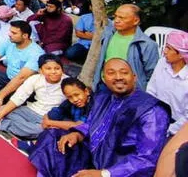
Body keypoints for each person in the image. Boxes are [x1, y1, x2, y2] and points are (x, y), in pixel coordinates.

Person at [29, 58, 171, 177]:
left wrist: (104, 173)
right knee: (53, 137)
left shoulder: (152, 110)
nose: (118, 77)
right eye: (111, 73)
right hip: (94, 155)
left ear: (134, 77)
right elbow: (91, 125)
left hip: (119, 168)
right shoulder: (103, 98)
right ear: (104, 79)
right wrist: (77, 135)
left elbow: (146, 159)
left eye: (124, 73)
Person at [0, 54, 67, 140]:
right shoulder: (35, 79)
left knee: (42, 130)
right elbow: (18, 98)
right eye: (48, 69)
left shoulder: (68, 82)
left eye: (57, 68)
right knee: (6, 111)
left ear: (62, 70)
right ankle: (21, 130)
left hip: (48, 117)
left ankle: (4, 124)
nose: (53, 72)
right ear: (40, 71)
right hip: (30, 110)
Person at [0, 20, 45, 111]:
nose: (9, 34)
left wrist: (0, 96)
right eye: (10, 31)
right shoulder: (10, 42)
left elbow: (21, 78)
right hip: (7, 77)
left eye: (14, 33)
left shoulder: (36, 53)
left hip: (23, 86)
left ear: (25, 36)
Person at [91, 4, 159, 91]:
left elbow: (151, 74)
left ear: (136, 21)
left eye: (122, 18)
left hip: (129, 91)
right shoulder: (109, 34)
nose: (116, 20)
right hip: (104, 85)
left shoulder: (146, 45)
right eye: (115, 16)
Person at [147, 30, 188, 135]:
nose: (164, 51)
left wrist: (168, 129)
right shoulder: (162, 63)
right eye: (166, 46)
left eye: (169, 49)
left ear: (181, 55)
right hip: (155, 117)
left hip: (178, 128)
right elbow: (151, 90)